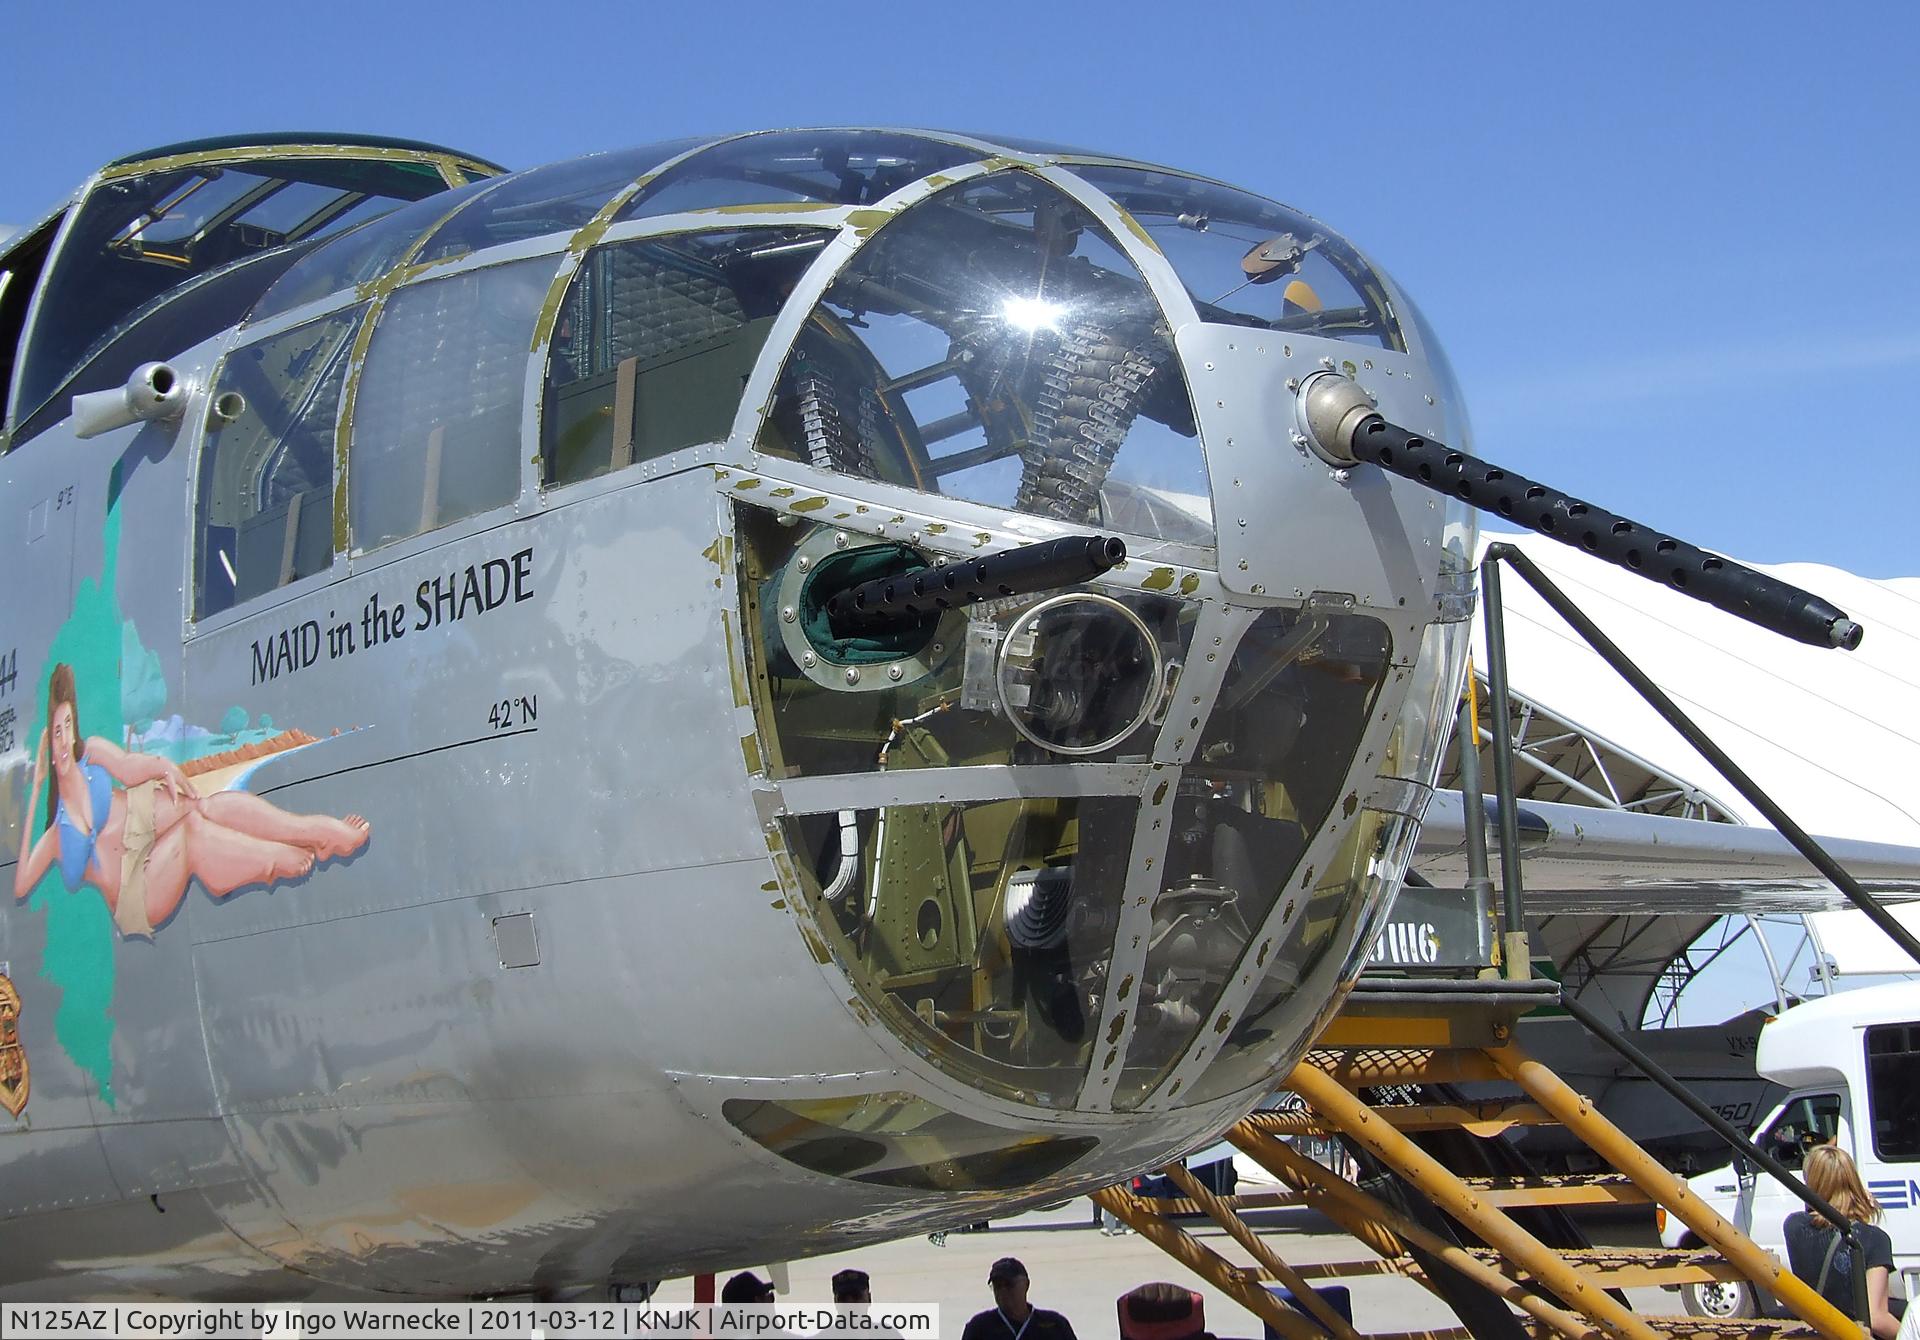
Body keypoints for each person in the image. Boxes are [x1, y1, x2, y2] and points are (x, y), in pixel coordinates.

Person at [13, 664, 370, 938]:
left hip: (147, 832)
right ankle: (273, 858)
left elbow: (130, 766)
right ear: (49, 738)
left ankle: (316, 834)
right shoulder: (57, 834)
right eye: (57, 732)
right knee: (193, 832)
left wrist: (163, 767)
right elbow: (22, 884)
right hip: (134, 890)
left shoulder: (91, 753)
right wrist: (38, 791)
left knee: (209, 805)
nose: (63, 741)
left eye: (68, 726)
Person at [1783, 1144, 1902, 1339]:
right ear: (1853, 1181)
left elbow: (1817, 1219)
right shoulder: (1873, 1238)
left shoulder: (1793, 1226)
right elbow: (1876, 1317)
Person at [961, 1257, 1078, 1340]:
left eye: (1009, 1284)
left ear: (1026, 1284)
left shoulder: (1054, 1324)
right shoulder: (980, 1327)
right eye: (997, 1286)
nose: (1003, 1291)